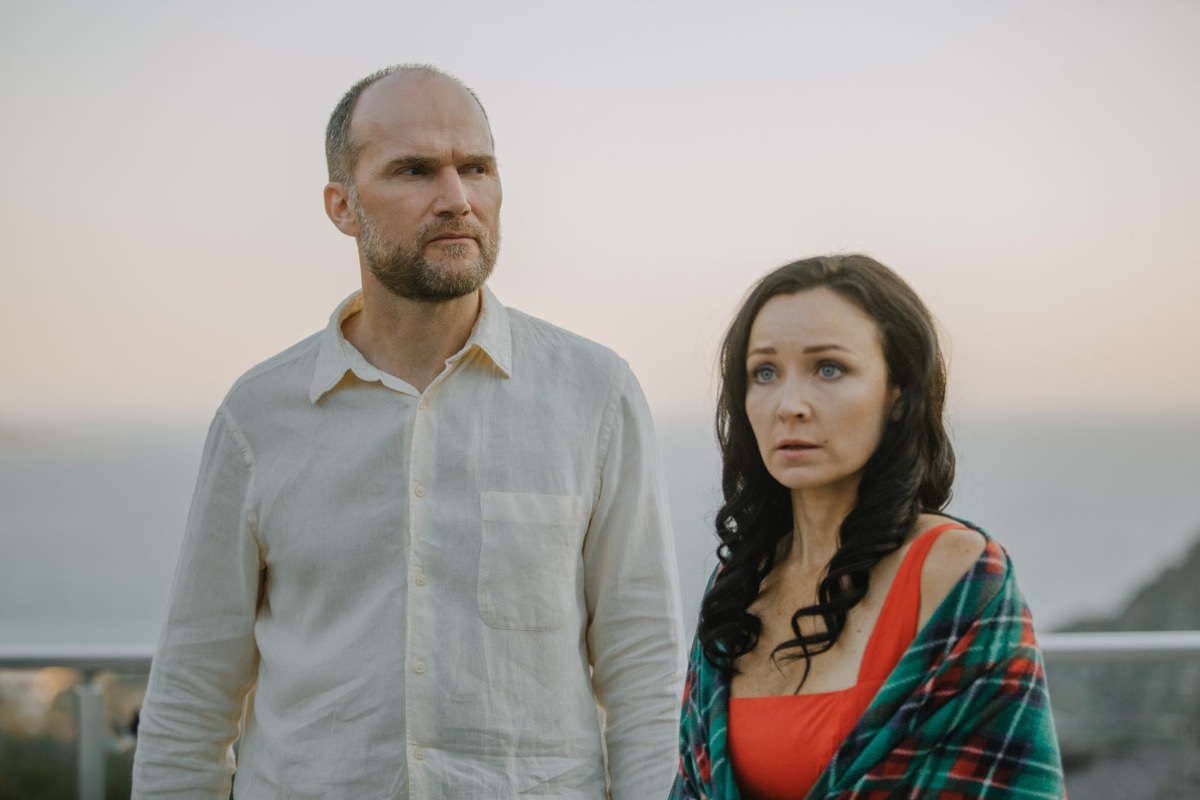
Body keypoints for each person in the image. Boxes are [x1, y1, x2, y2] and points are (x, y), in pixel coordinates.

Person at [131, 64, 685, 799]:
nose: (457, 198)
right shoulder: (258, 415)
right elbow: (192, 691)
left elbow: (645, 673)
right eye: (415, 170)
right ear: (343, 207)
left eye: (476, 168)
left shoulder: (595, 394)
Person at [670, 255, 1064, 798]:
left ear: (898, 393)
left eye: (828, 368)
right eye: (764, 372)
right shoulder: (740, 584)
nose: (789, 405)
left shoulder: (955, 569)